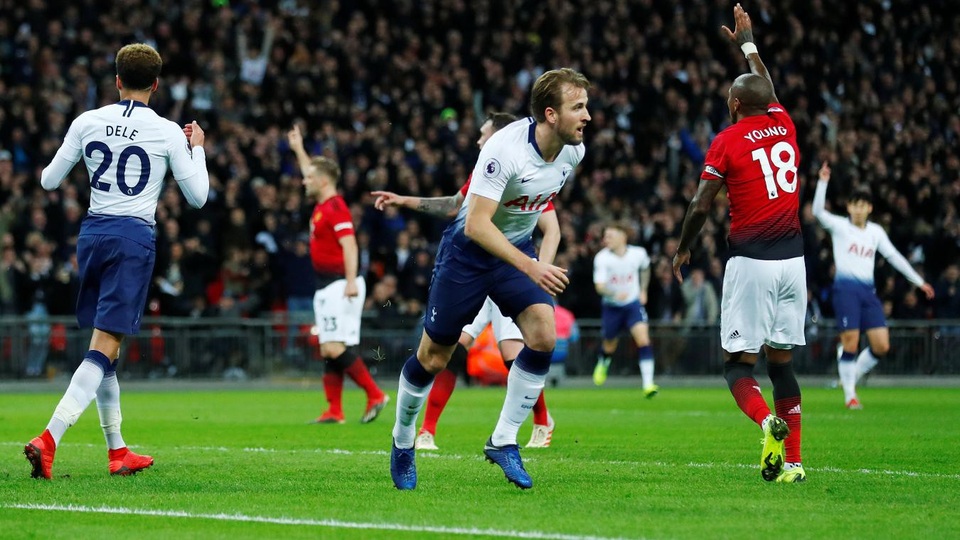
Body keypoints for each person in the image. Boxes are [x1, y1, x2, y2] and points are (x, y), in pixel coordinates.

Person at [388, 68, 590, 490]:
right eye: (578, 107)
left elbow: (534, 210)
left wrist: (532, 259)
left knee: (543, 336)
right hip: (466, 255)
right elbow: (475, 225)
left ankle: (503, 441)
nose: (587, 116)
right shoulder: (504, 151)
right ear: (550, 114)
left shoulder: (573, 152)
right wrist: (531, 266)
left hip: (513, 253)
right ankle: (403, 442)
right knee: (434, 358)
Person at [25, 43, 210, 479]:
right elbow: (198, 198)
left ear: (117, 80)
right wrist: (196, 148)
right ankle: (49, 438)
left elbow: (49, 181)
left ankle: (117, 451)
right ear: (157, 84)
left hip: (91, 235)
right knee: (107, 344)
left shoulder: (87, 121)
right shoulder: (166, 131)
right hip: (132, 238)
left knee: (104, 344)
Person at [672, 5, 806, 484]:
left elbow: (701, 204)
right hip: (795, 263)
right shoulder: (784, 122)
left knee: (737, 366)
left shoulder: (728, 140)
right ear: (767, 101)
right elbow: (763, 82)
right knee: (783, 365)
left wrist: (683, 247)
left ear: (733, 105)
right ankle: (793, 462)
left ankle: (765, 421)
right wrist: (748, 44)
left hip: (752, 263)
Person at [372, 112, 560, 451]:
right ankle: (420, 432)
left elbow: (552, 227)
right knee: (443, 353)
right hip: (470, 268)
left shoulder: (525, 171)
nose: (477, 140)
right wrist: (403, 200)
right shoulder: (482, 173)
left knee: (525, 347)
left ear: (502, 136)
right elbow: (454, 207)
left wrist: (539, 270)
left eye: (483, 134)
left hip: (511, 268)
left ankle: (532, 425)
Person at [287, 125, 389, 425]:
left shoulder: (335, 207)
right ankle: (334, 410)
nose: (304, 180)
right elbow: (314, 170)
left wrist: (349, 281)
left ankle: (374, 394)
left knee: (334, 346)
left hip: (338, 284)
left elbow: (350, 244)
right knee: (329, 349)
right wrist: (298, 148)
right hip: (328, 285)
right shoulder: (323, 204)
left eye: (308, 178)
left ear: (321, 181)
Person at [812, 162, 935, 409]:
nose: (858, 209)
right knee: (851, 343)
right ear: (849, 207)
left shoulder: (875, 232)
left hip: (868, 293)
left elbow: (895, 257)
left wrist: (919, 282)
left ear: (869, 208)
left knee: (881, 345)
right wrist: (823, 182)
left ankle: (849, 378)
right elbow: (817, 212)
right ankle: (850, 396)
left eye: (863, 205)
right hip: (845, 291)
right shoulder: (840, 227)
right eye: (854, 204)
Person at [591, 222, 660, 397]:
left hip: (632, 305)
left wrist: (643, 290)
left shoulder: (638, 254)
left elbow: (645, 269)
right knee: (609, 343)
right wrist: (614, 293)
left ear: (623, 237)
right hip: (612, 307)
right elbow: (599, 287)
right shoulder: (602, 258)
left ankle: (648, 384)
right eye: (605, 236)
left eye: (610, 236)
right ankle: (603, 362)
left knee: (643, 340)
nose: (606, 240)